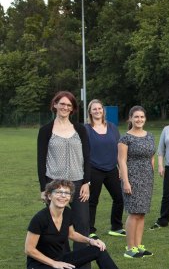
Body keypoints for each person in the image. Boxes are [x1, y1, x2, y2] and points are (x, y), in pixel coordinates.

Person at [24, 179, 141, 269]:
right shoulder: (40, 218)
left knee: (98, 249)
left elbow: (72, 234)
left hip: (59, 258)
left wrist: (90, 241)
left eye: (66, 193)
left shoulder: (67, 213)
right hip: (39, 268)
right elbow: (29, 249)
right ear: (49, 195)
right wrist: (53, 263)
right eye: (58, 192)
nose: (63, 196)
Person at [37, 91, 91, 255]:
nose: (65, 107)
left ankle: (82, 264)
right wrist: (43, 188)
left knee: (82, 222)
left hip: (77, 182)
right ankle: (62, 260)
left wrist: (86, 183)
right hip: (54, 183)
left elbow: (87, 157)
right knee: (56, 224)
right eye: (62, 104)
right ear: (55, 105)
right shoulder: (46, 130)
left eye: (69, 105)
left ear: (72, 108)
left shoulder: (80, 129)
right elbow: (41, 160)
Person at [118, 106, 155, 259]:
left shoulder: (150, 135)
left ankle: (138, 246)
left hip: (147, 178)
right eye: (136, 117)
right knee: (133, 213)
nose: (139, 120)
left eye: (142, 117)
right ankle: (129, 248)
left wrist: (151, 171)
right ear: (130, 119)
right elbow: (121, 160)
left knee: (142, 213)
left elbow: (152, 155)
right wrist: (126, 181)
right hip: (132, 178)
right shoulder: (125, 138)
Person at [85, 99, 125, 238]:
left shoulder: (112, 127)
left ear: (103, 110)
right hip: (93, 169)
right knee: (92, 201)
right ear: (90, 111)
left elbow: (119, 149)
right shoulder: (86, 129)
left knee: (119, 198)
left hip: (111, 169)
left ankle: (116, 227)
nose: (97, 111)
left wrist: (120, 167)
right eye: (94, 109)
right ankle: (89, 230)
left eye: (99, 108)